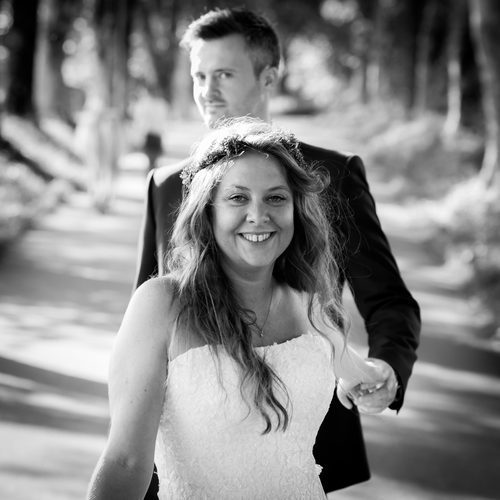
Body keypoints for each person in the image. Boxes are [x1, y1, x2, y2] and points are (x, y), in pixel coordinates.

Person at [134, 7, 421, 496]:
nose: (208, 91)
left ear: (269, 77)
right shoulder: (165, 185)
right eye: (200, 76)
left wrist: (386, 369)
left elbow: (390, 301)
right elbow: (145, 310)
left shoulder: (331, 175)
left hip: (303, 440)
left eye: (225, 74)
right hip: (191, 448)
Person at [88, 119, 389, 499]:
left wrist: (382, 379)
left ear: (297, 209)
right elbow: (125, 463)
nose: (259, 215)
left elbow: (361, 375)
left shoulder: (309, 303)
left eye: (276, 198)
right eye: (237, 198)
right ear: (207, 210)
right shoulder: (162, 304)